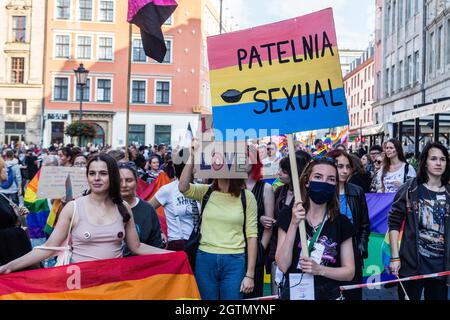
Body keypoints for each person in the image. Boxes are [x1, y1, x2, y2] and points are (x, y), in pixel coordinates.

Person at [0, 154, 170, 274]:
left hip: (115, 284)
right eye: (92, 173)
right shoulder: (73, 208)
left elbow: (137, 247)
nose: (97, 178)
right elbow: (48, 248)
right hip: (81, 286)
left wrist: (174, 255)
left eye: (103, 173)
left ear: (112, 176)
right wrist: (8, 267)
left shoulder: (123, 207)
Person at [178, 140, 258, 300]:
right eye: (216, 157)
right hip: (205, 258)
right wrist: (193, 156)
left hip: (235, 261)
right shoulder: (205, 192)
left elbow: (252, 235)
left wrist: (250, 274)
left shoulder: (247, 197)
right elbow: (183, 187)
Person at [275, 157, 355, 300]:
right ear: (307, 181)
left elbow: (349, 272)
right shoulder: (288, 215)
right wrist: (294, 224)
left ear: (335, 184)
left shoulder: (341, 222)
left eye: (330, 179)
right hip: (294, 293)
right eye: (318, 177)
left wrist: (320, 270)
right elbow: (282, 265)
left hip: (329, 294)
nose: (324, 182)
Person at [388, 142, 450, 300]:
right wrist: (395, 257)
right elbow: (394, 222)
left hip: (441, 267)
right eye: (433, 158)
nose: (438, 163)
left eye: (442, 159)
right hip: (412, 263)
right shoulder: (410, 188)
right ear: (425, 162)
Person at [327, 150, 370, 300]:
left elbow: (364, 224)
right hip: (328, 254)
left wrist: (361, 247)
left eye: (347, 167)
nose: (344, 171)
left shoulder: (357, 192)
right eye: (340, 166)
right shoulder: (323, 192)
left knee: (353, 294)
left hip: (352, 254)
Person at [268, 151, 311, 292]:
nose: (279, 173)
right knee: (277, 288)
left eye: (284, 171)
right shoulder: (280, 191)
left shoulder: (306, 196)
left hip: (298, 250)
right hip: (277, 246)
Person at [150, 148, 200, 251]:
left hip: (199, 244)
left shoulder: (200, 188)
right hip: (178, 245)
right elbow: (147, 209)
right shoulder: (168, 190)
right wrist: (159, 231)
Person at [244, 145, 275, 298]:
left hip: (255, 247)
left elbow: (269, 224)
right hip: (232, 246)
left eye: (246, 156)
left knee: (252, 293)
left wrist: (261, 248)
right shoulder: (231, 186)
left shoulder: (266, 188)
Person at [119, 162, 164, 251]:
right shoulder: (105, 207)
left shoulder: (148, 209)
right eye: (119, 181)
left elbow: (156, 244)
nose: (124, 185)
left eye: (129, 180)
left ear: (136, 181)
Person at [0, 157, 31, 268]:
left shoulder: (3, 196)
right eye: (3, 167)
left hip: (14, 252)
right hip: (7, 256)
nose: (6, 170)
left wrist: (21, 217)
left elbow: (16, 224)